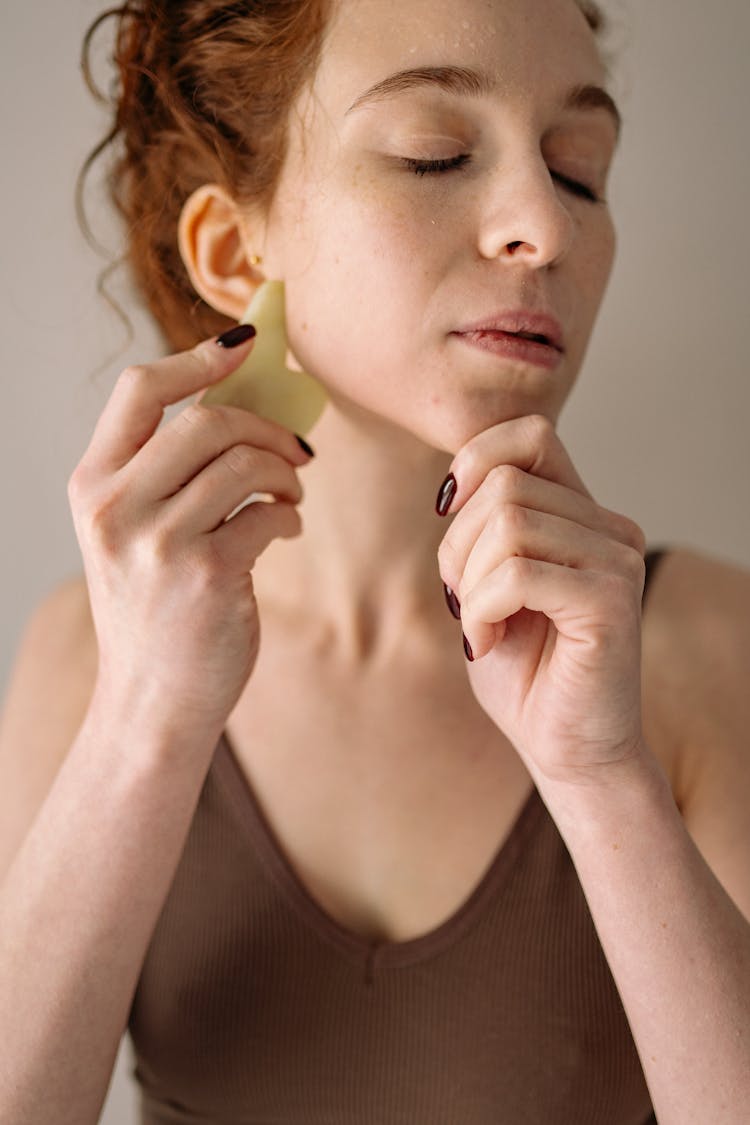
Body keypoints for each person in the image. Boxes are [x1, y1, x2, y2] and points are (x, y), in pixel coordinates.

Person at [0, 0, 748, 1121]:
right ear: (229, 248)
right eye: (434, 154)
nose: (542, 225)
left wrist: (603, 778)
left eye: (580, 170)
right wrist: (150, 714)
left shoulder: (706, 644)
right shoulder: (84, 658)